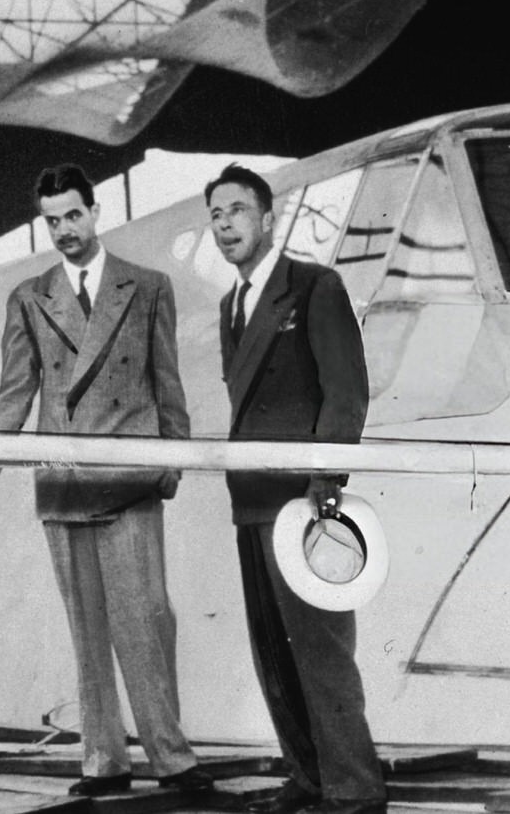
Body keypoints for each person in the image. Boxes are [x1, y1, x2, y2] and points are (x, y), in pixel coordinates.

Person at [0, 163, 211, 797]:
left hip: (129, 480)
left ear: (95, 212)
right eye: (52, 220)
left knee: (146, 621)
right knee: (87, 631)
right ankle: (104, 763)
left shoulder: (148, 288)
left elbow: (167, 384)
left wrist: (170, 464)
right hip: (64, 488)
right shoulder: (30, 297)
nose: (64, 230)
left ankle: (173, 760)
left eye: (73, 215)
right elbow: (15, 391)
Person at [205, 164, 387, 814]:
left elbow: (346, 390)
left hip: (301, 501)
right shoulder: (232, 305)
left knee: (321, 653)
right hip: (251, 500)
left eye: (236, 210)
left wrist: (326, 485)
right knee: (274, 655)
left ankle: (354, 790)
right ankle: (309, 778)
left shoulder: (313, 286)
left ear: (268, 217)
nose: (225, 224)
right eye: (216, 215)